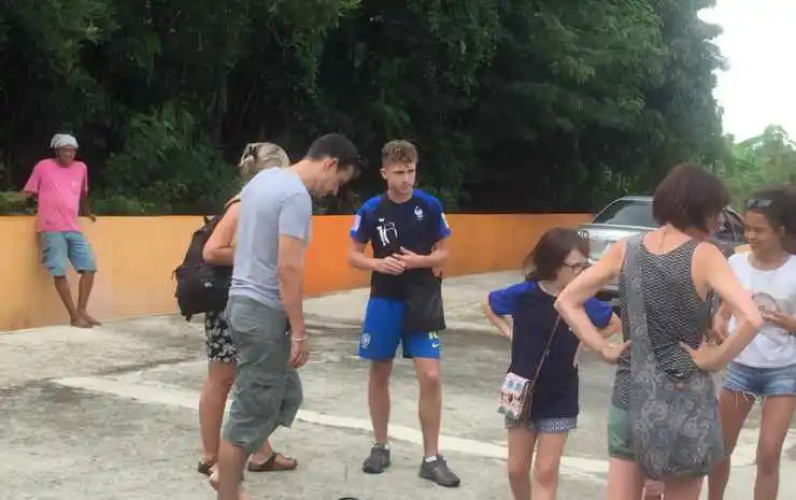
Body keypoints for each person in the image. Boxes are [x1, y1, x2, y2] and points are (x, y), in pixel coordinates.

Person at [554, 163, 763, 500]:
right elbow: (752, 318)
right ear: (699, 210)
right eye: (716, 212)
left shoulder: (627, 248)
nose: (719, 222)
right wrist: (714, 360)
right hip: (684, 400)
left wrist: (602, 347)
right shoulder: (705, 254)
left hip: (630, 396)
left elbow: (566, 300)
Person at [215, 133, 359, 500]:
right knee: (250, 412)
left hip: (242, 305)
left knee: (285, 396)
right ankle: (226, 482)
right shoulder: (296, 196)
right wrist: (299, 331)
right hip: (262, 310)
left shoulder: (262, 181)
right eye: (338, 181)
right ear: (330, 163)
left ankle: (227, 472)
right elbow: (288, 269)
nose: (333, 190)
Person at [348, 140, 459, 487]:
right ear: (384, 173)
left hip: (422, 299)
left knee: (431, 376)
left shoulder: (430, 206)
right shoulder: (371, 209)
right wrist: (378, 264)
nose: (406, 179)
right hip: (384, 299)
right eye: (399, 172)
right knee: (379, 371)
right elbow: (353, 255)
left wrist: (418, 261)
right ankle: (380, 445)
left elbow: (444, 253)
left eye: (411, 171)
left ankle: (431, 457)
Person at [483, 228, 619, 500]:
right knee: (516, 469)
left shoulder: (582, 302)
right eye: (575, 266)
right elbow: (488, 304)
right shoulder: (523, 294)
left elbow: (614, 323)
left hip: (561, 392)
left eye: (585, 265)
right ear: (553, 265)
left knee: (546, 472)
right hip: (518, 388)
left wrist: (586, 340)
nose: (582, 271)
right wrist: (509, 332)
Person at [198, 143, 297, 489]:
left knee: (247, 380)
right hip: (234, 299)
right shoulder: (242, 205)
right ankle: (213, 457)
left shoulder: (255, 202)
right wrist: (255, 252)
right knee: (226, 378)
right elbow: (213, 250)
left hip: (243, 299)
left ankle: (257, 453)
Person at [708, 187, 796, 500]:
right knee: (720, 448)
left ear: (780, 231)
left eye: (759, 230)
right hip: (741, 366)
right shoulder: (736, 263)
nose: (750, 235)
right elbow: (725, 307)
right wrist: (719, 319)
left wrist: (790, 324)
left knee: (769, 453)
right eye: (747, 228)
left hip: (784, 371)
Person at [20, 133, 99, 328]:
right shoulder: (43, 166)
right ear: (57, 151)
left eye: (72, 151)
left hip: (73, 227)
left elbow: (83, 193)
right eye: (65, 150)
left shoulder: (81, 168)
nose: (69, 154)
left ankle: (82, 311)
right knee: (59, 271)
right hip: (51, 227)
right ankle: (74, 316)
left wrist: (86, 211)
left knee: (89, 268)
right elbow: (29, 192)